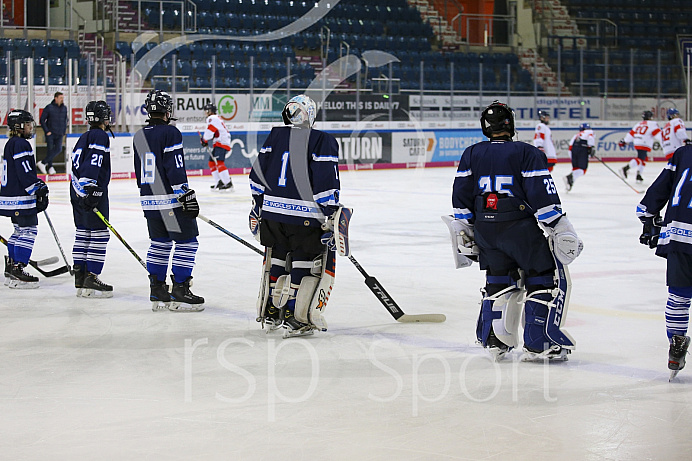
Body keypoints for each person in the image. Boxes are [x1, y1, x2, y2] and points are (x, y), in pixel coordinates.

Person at [449, 101, 582, 361]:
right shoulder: (526, 152)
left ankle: (494, 339)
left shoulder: (471, 153)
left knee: (498, 280)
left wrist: (465, 228)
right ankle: (539, 343)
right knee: (542, 277)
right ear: (510, 124)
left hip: (486, 230)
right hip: (519, 228)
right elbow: (541, 196)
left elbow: (461, 196)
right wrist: (558, 226)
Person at [249, 94, 342, 338]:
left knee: (278, 256)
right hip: (304, 216)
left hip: (272, 214)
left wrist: (260, 206)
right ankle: (293, 315)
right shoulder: (321, 140)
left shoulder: (275, 136)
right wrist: (330, 213)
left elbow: (256, 178)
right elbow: (325, 182)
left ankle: (271, 311)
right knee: (303, 259)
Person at [133, 89, 204, 312]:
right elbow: (175, 167)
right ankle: (181, 290)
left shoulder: (139, 135)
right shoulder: (171, 133)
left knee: (159, 243)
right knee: (187, 242)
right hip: (170, 203)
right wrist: (184, 194)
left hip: (149, 201)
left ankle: (157, 290)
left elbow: (138, 172)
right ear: (166, 110)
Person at [636, 142, 692, 379]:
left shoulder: (683, 153)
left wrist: (647, 215)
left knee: (679, 295)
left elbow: (658, 191)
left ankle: (676, 346)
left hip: (680, 233)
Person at [69, 100, 114, 298]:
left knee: (83, 232)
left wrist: (82, 189)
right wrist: (91, 190)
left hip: (76, 190)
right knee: (99, 234)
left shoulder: (84, 136)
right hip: (91, 190)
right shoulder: (99, 135)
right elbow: (93, 163)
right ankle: (92, 276)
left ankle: (80, 276)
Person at [1, 110, 49, 288]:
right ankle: (18, 269)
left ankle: (11, 268)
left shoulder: (11, 143)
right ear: (19, 127)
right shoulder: (21, 144)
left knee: (19, 231)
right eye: (28, 125)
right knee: (28, 230)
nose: (31, 128)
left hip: (10, 197)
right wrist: (38, 189)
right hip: (20, 197)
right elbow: (26, 172)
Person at [619, 110, 662, 183]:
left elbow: (631, 134)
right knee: (640, 159)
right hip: (644, 142)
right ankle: (625, 168)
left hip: (637, 141)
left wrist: (625, 141)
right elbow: (658, 134)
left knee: (643, 158)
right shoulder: (652, 124)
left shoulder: (638, 124)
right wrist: (664, 140)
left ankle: (639, 175)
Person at [200, 102, 233, 190]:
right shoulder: (216, 118)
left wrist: (204, 139)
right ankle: (219, 182)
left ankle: (228, 183)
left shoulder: (212, 118)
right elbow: (214, 132)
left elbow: (210, 132)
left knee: (219, 162)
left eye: (206, 111)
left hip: (221, 142)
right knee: (211, 163)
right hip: (220, 141)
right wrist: (206, 139)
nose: (205, 113)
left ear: (209, 111)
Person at [38, 91, 68, 175]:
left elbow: (65, 120)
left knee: (58, 149)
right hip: (51, 133)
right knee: (50, 150)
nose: (62, 99)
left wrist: (63, 131)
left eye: (63, 98)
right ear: (56, 98)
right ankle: (50, 166)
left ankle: (43, 163)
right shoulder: (49, 107)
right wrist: (47, 131)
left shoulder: (64, 108)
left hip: (60, 133)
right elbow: (42, 120)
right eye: (60, 98)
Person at [564, 123, 595, 192]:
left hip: (574, 150)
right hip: (582, 149)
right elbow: (590, 138)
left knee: (576, 168)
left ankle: (570, 182)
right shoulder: (589, 131)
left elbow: (570, 147)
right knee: (583, 169)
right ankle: (569, 177)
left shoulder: (576, 135)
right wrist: (591, 147)